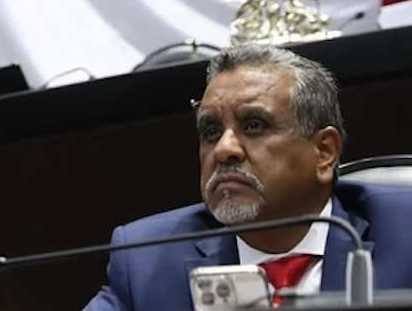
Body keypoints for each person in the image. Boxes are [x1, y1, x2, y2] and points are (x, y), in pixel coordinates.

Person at [82, 43, 412, 311]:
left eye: (254, 125)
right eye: (211, 132)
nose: (224, 149)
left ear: (324, 152)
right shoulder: (148, 258)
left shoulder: (404, 230)